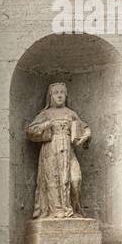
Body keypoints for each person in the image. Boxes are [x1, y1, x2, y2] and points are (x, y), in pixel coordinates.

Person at [26, 82, 91, 219]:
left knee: (75, 179)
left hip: (68, 149)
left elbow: (85, 128)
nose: (60, 95)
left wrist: (85, 136)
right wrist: (47, 124)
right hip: (51, 148)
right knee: (53, 179)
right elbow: (30, 131)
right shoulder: (46, 113)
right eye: (56, 93)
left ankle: (73, 208)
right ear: (51, 96)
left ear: (66, 95)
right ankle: (56, 210)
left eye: (62, 92)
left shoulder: (71, 113)